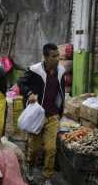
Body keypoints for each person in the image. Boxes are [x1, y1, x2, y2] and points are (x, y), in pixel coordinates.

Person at [18, 43, 65, 185]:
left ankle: (47, 177)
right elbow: (21, 83)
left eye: (58, 55)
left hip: (52, 116)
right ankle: (30, 168)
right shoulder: (35, 70)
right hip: (37, 117)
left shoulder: (61, 71)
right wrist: (29, 93)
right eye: (54, 56)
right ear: (45, 57)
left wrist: (60, 109)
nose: (57, 59)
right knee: (34, 149)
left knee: (51, 149)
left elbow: (60, 91)